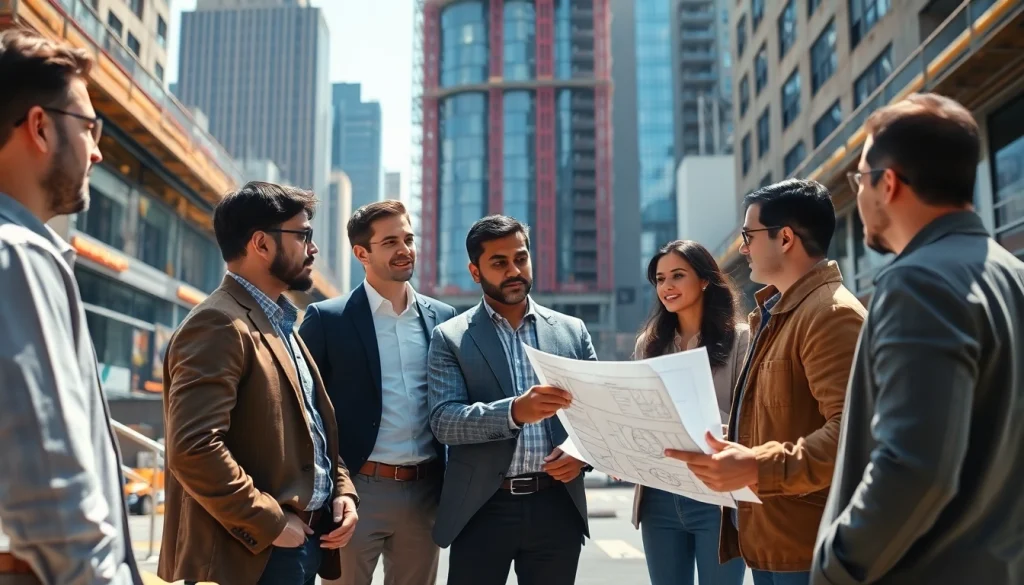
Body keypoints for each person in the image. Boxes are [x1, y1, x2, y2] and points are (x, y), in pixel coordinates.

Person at [812, 94, 1024, 585]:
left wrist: (835, 566)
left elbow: (916, 470)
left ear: (887, 184)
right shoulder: (1012, 275)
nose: (859, 195)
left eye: (861, 179)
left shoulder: (918, 282)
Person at [666, 179, 866, 585]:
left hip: (807, 546)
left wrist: (755, 465)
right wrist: (728, 441)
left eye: (749, 236)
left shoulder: (830, 314)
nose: (743, 249)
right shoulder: (779, 314)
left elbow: (852, 435)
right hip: (772, 539)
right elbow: (787, 419)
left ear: (786, 238)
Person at [159, 182, 359, 585]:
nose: (313, 249)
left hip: (304, 543)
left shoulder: (282, 325)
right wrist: (268, 522)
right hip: (253, 556)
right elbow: (193, 448)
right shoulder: (218, 323)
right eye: (303, 235)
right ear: (261, 244)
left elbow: (313, 429)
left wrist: (343, 491)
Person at [0, 28, 143, 585]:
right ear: (39, 126)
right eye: (89, 127)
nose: (98, 150)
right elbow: (53, 493)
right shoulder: (18, 255)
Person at [427, 215, 593, 585]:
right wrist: (515, 412)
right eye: (499, 263)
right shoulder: (450, 337)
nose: (514, 271)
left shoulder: (572, 332)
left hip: (556, 506)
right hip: (482, 509)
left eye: (520, 258)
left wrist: (581, 455)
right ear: (475, 271)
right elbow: (444, 421)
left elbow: (597, 414)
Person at [298, 200, 457, 585]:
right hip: (355, 492)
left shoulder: (444, 319)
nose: (405, 249)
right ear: (361, 253)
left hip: (425, 492)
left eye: (408, 239)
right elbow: (302, 409)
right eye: (390, 242)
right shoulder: (327, 319)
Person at [630, 240, 750, 585]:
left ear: (705, 280)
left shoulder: (741, 339)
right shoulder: (648, 344)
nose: (667, 286)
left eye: (678, 275)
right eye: (660, 279)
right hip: (658, 495)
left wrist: (701, 422)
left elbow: (750, 416)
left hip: (718, 495)